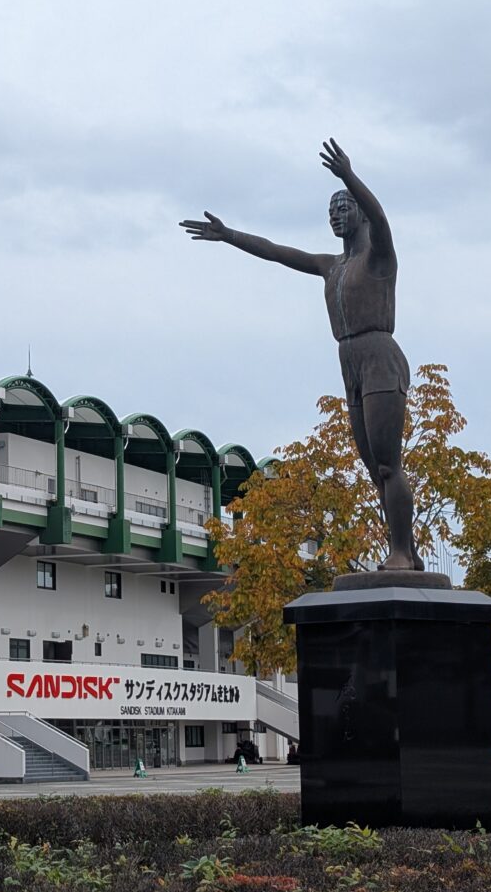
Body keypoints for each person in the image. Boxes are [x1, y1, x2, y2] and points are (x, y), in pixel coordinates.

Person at [180, 140, 423, 571]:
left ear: (360, 213)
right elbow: (278, 252)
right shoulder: (331, 266)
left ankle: (403, 553)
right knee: (373, 470)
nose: (335, 214)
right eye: (330, 209)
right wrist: (229, 235)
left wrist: (349, 175)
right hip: (348, 362)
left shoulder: (379, 258)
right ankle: (404, 549)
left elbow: (383, 217)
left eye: (343, 207)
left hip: (379, 356)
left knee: (387, 464)